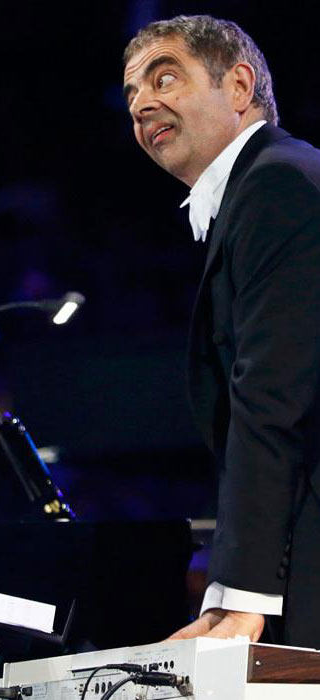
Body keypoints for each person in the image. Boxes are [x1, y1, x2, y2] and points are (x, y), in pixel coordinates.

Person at [123, 15, 320, 648]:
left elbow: (271, 399)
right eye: (132, 94)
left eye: (164, 78)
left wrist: (239, 598)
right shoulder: (268, 185)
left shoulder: (278, 185)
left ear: (238, 87)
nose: (141, 105)